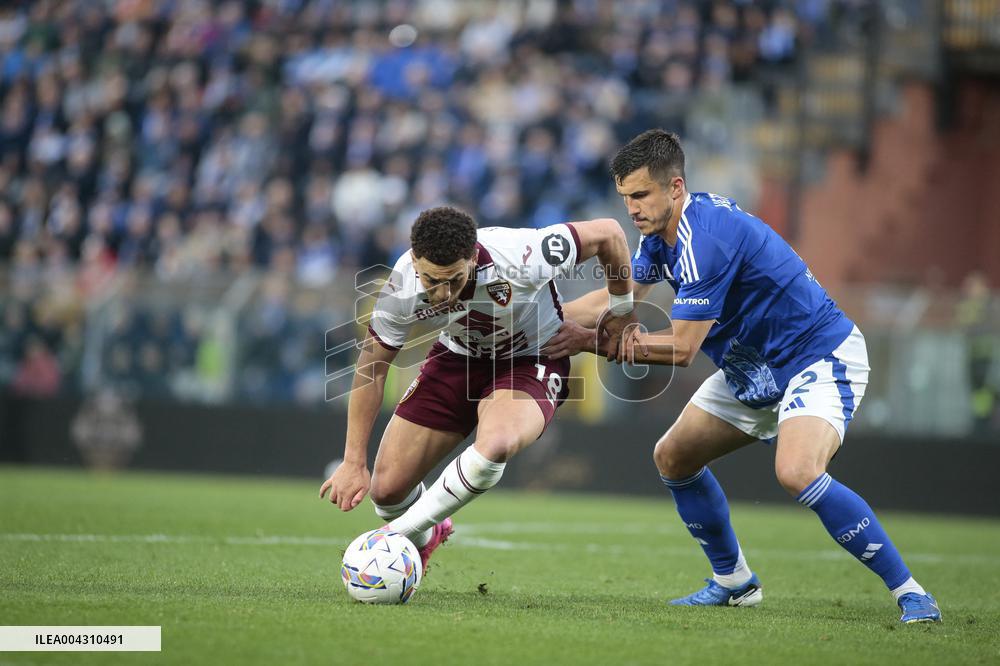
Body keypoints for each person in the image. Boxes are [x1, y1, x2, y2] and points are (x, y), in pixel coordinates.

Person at [544, 130, 941, 624]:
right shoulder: (661, 236)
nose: (633, 209)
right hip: (752, 365)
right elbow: (617, 297)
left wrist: (588, 342)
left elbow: (684, 348)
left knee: (797, 471)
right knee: (673, 456)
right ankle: (734, 582)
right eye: (626, 198)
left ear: (676, 187)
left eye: (641, 195)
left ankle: (912, 593)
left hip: (815, 356)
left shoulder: (704, 238)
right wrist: (544, 321)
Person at [320, 206, 635, 573]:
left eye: (452, 280)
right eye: (429, 280)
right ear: (414, 261)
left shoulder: (521, 254)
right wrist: (354, 460)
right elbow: (372, 368)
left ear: (472, 256)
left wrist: (622, 312)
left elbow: (609, 233)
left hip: (532, 357)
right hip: (457, 358)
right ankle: (427, 532)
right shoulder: (401, 286)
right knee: (387, 490)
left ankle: (392, 537)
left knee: (496, 443)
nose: (441, 294)